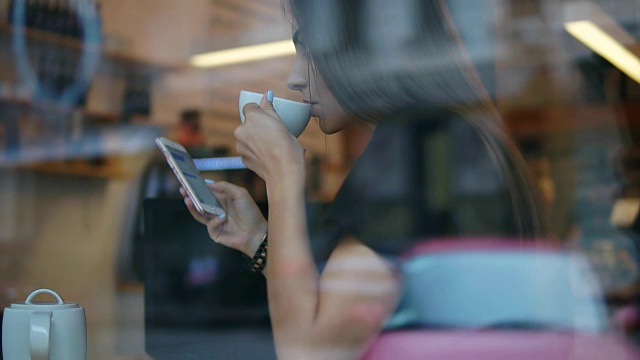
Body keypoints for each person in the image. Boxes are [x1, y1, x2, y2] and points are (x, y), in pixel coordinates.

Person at [181, 0, 550, 358]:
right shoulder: (451, 136)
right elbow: (343, 311)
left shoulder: (419, 145)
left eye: (308, 49)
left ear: (357, 49)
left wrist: (282, 173)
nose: (295, 79)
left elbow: (310, 352)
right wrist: (259, 240)